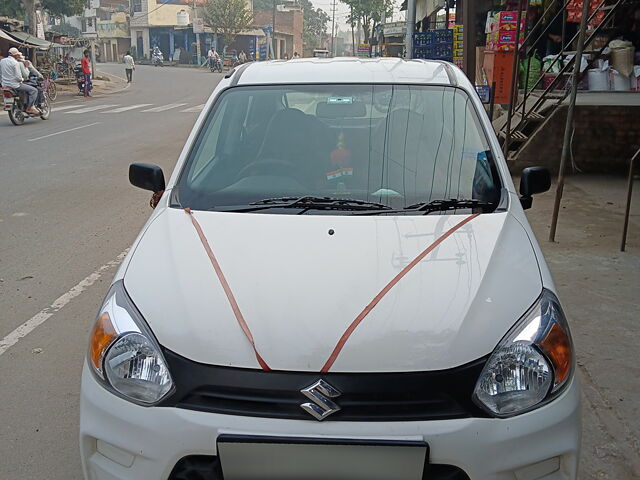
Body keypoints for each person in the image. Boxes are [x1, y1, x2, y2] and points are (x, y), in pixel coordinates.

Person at [0, 47, 40, 114]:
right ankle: (29, 108)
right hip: (15, 85)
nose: (18, 56)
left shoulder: (2, 61)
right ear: (15, 55)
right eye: (17, 55)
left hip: (5, 85)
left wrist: (2, 83)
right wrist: (23, 79)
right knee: (34, 90)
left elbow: (1, 74)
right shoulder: (15, 63)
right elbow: (18, 77)